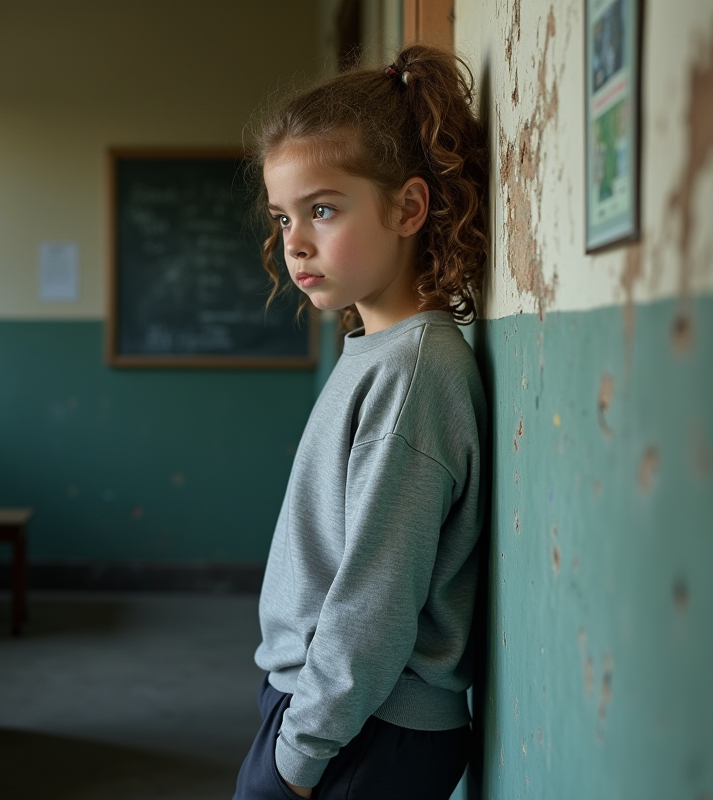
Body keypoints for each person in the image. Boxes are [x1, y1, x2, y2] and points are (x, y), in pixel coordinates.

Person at [234, 44, 489, 800]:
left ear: (408, 208)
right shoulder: (376, 352)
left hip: (364, 729)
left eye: (323, 208)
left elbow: (373, 604)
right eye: (284, 216)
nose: (296, 242)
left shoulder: (414, 375)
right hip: (334, 714)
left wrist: (296, 758)